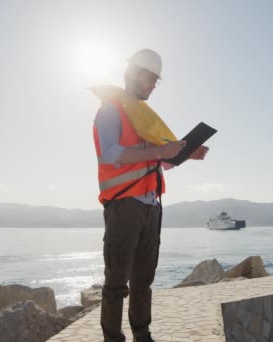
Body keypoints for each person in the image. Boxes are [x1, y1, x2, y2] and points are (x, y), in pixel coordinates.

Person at [92, 49, 208, 342]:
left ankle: (142, 335)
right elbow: (110, 154)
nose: (153, 85)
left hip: (150, 206)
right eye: (149, 78)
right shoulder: (110, 110)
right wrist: (160, 151)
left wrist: (186, 154)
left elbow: (161, 161)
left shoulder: (144, 117)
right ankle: (112, 338)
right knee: (117, 281)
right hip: (124, 206)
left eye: (157, 81)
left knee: (143, 281)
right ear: (131, 72)